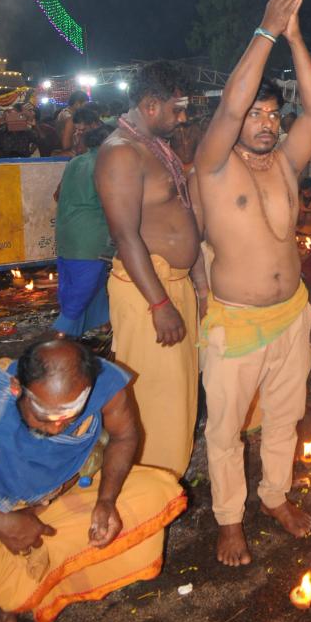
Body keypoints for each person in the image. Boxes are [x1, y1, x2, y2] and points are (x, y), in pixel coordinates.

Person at [191, 0, 311, 567]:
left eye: (273, 114)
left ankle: (275, 497)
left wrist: (295, 38)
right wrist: (266, 29)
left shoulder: (287, 161)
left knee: (285, 417)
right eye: (256, 114)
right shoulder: (214, 165)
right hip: (236, 322)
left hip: (291, 314)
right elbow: (227, 104)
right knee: (224, 432)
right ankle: (229, 519)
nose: (267, 123)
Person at [0, 340, 186, 622]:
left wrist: (106, 500)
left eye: (67, 419)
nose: (54, 429)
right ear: (16, 388)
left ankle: (10, 587)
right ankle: (0, 590)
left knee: (155, 493)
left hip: (54, 502)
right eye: (42, 417)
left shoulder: (104, 386)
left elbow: (124, 437)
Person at [95, 61, 201, 479]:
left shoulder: (154, 145)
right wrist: (159, 303)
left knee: (179, 394)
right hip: (147, 295)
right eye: (178, 109)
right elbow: (125, 236)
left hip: (172, 286)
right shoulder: (121, 152)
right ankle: (148, 485)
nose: (184, 117)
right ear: (151, 105)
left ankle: (166, 478)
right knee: (155, 397)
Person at [54, 125, 114, 337]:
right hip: (89, 237)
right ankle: (59, 336)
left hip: (66, 233)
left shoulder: (76, 161)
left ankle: (102, 322)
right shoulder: (106, 163)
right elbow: (113, 203)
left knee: (87, 283)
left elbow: (57, 194)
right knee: (83, 288)